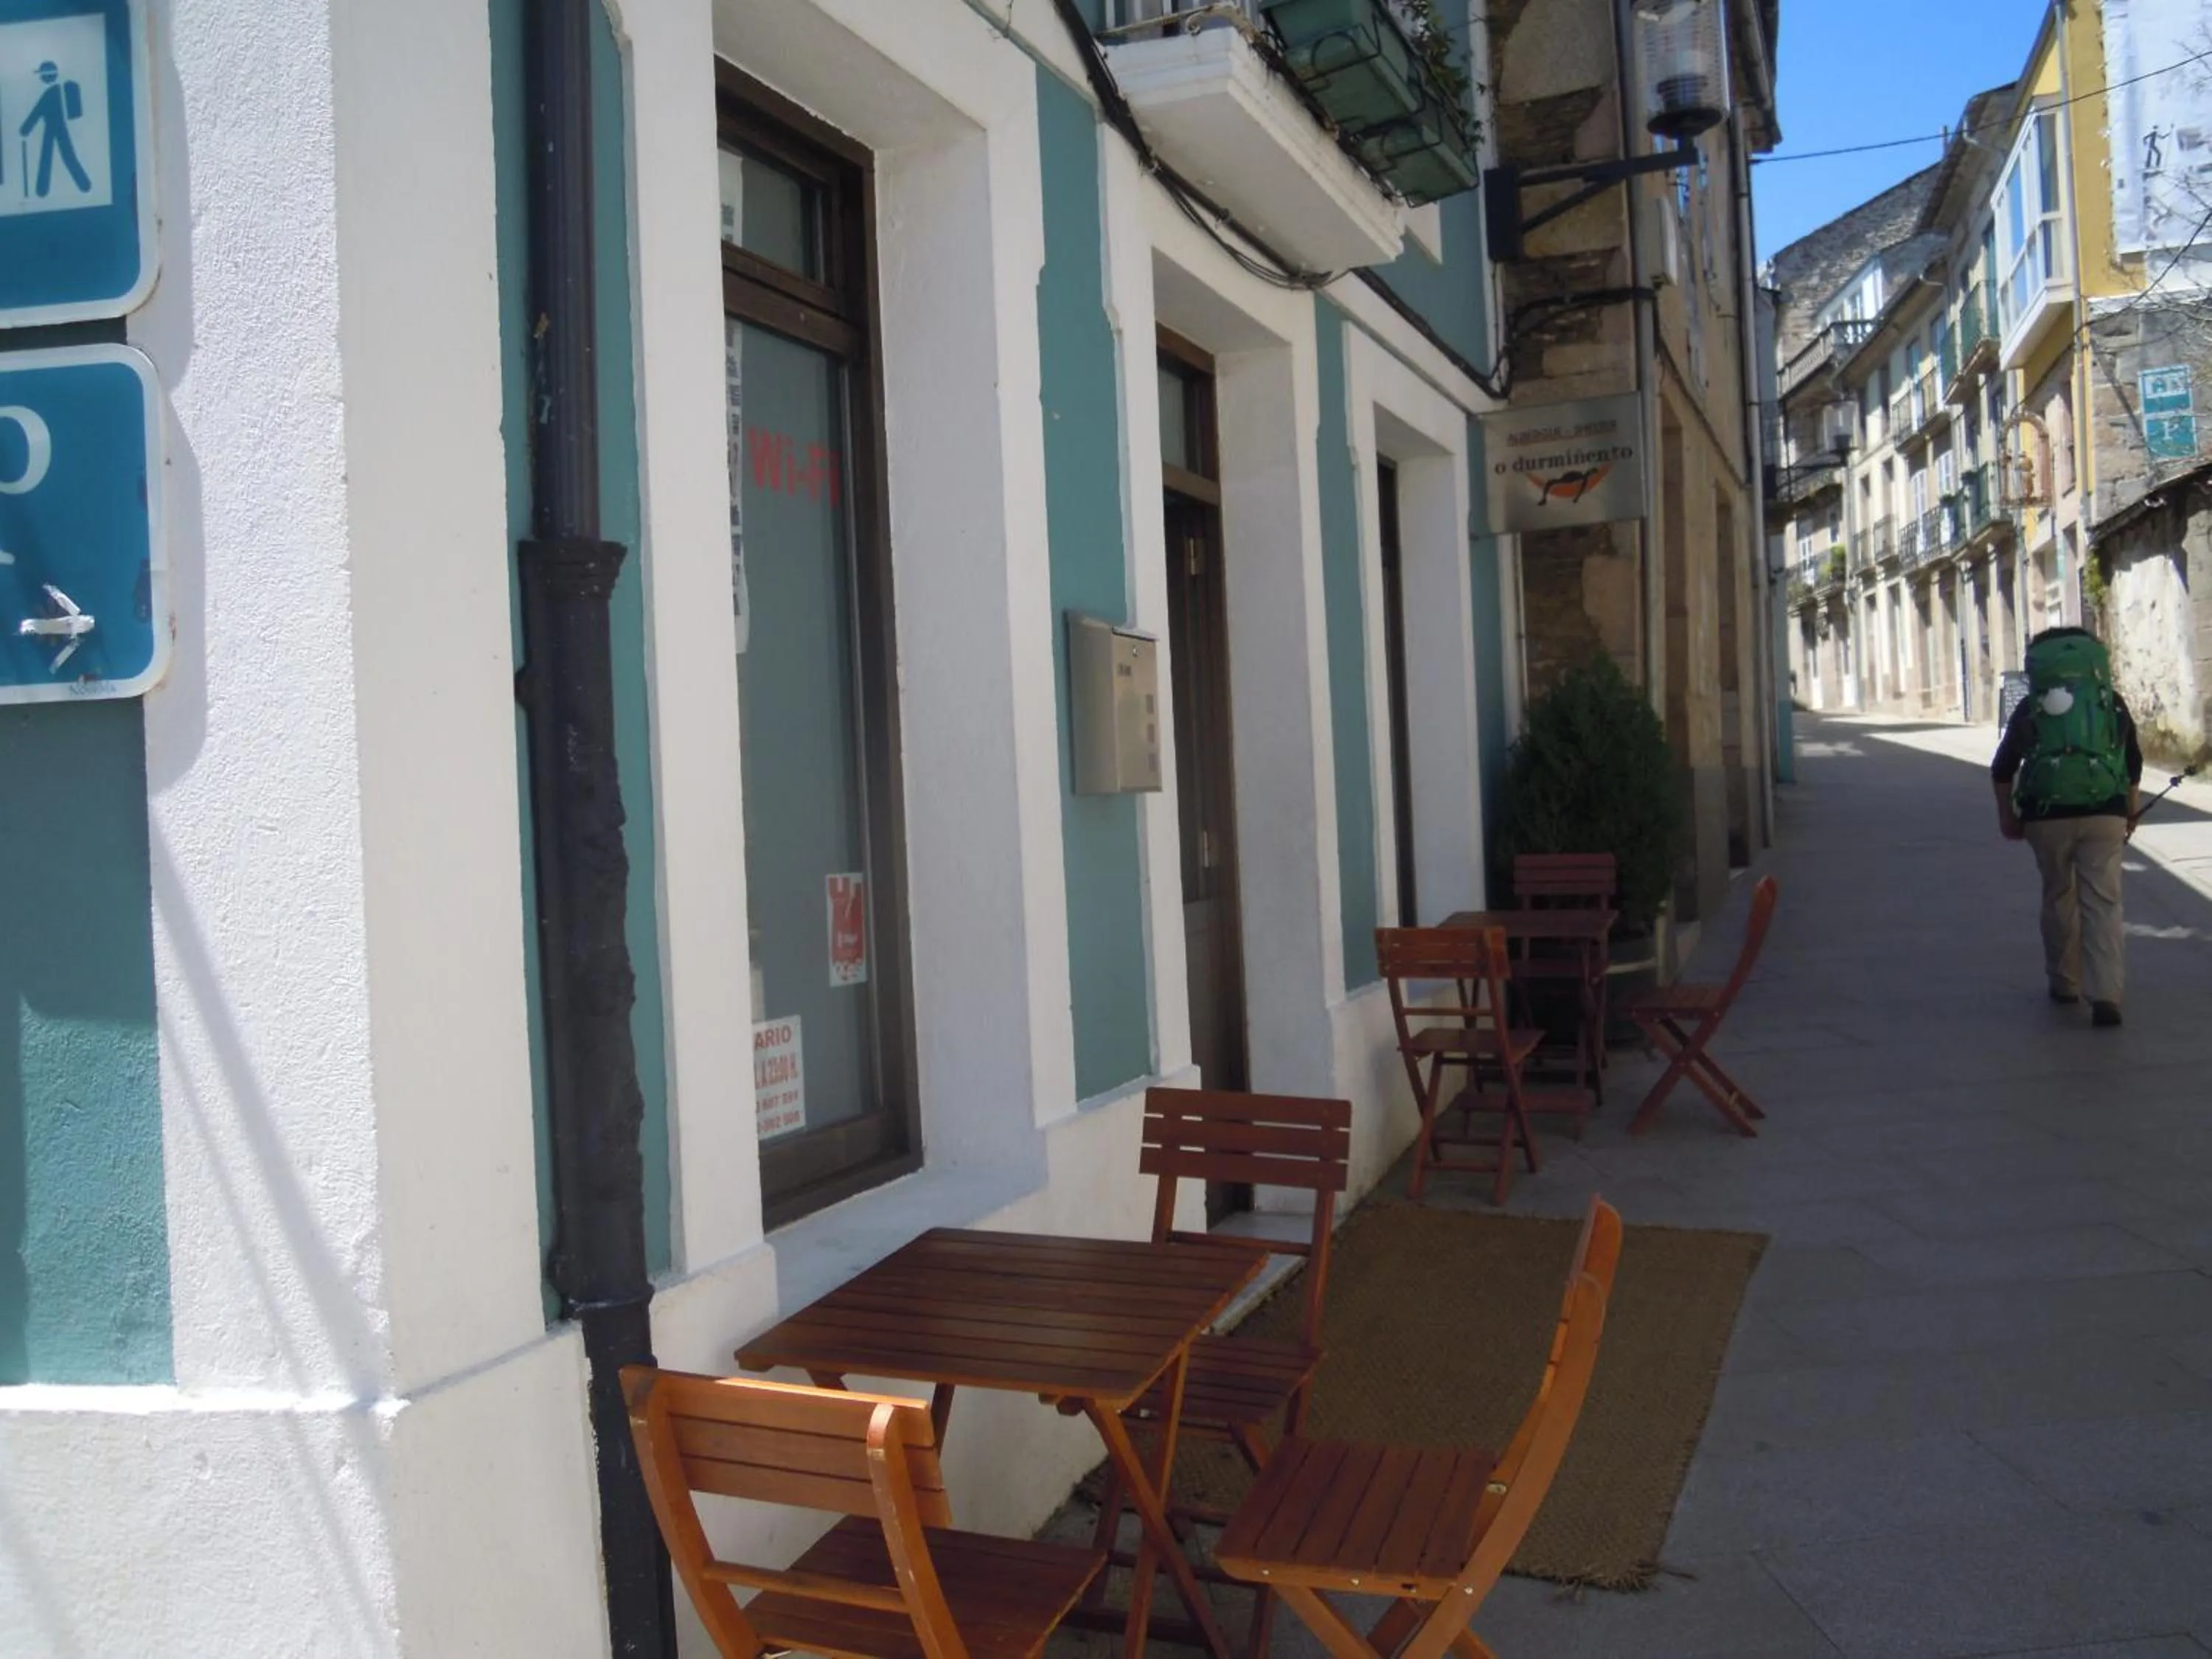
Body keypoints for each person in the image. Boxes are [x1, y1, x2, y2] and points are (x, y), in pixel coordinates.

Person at [1991, 625, 2143, 1027]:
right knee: (2104, 902)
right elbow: (2133, 761)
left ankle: (2065, 983)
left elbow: (2002, 767)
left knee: (2059, 893)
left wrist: (2007, 814)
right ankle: (2107, 995)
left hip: (2046, 815)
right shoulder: (2110, 702)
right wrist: (2130, 809)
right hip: (2104, 811)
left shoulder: (2029, 708)